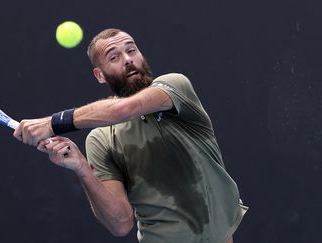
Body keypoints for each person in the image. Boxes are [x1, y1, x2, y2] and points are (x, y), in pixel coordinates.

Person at [13, 28, 248, 243]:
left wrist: (53, 123)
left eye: (131, 50)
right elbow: (120, 223)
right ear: (100, 75)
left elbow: (123, 110)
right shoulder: (101, 139)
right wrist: (82, 168)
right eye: (114, 57)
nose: (128, 60)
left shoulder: (175, 87)